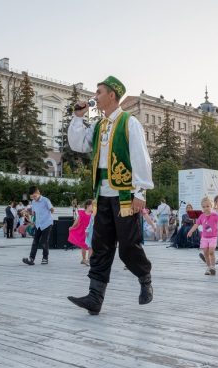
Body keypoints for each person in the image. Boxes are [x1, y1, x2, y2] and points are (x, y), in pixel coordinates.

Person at [67, 75, 154, 315]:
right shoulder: (98, 125)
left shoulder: (129, 122)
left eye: (99, 92)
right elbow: (78, 144)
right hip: (102, 194)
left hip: (125, 195)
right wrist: (78, 117)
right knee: (100, 246)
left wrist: (140, 191)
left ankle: (145, 277)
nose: (95, 97)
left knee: (128, 247)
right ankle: (95, 297)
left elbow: (140, 156)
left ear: (112, 95)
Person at [22, 186, 54, 265]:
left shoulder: (45, 200)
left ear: (38, 192)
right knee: (35, 241)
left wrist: (50, 210)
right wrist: (26, 212)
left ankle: (45, 258)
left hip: (47, 223)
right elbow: (33, 213)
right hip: (38, 224)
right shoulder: (33, 202)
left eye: (35, 196)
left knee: (44, 241)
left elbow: (52, 210)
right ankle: (31, 259)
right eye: (32, 197)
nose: (34, 198)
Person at [68, 199, 94, 266]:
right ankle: (84, 259)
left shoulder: (93, 213)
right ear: (88, 206)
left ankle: (89, 259)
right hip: (82, 231)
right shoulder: (82, 213)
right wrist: (72, 227)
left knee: (91, 245)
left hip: (90, 231)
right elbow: (77, 221)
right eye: (92, 205)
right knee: (84, 246)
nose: (94, 206)